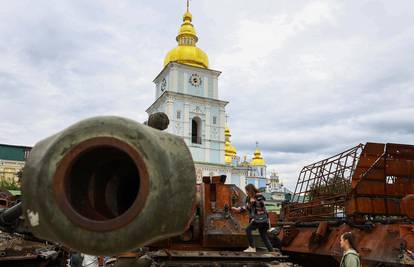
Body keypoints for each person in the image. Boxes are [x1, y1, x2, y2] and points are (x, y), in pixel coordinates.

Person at [232, 184, 274, 252]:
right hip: (262, 220)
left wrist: (255, 201)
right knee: (264, 236)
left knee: (248, 230)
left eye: (247, 191)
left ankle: (252, 247)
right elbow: (247, 207)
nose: (246, 192)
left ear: (250, 190)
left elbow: (261, 205)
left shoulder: (258, 196)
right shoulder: (249, 198)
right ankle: (271, 251)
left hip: (260, 219)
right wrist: (237, 209)